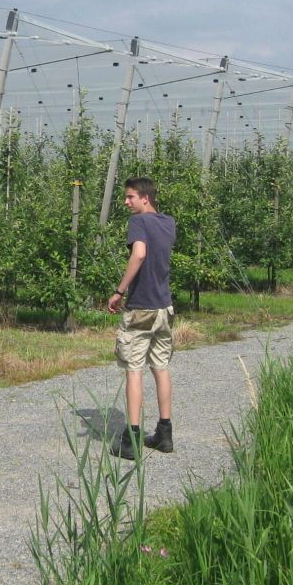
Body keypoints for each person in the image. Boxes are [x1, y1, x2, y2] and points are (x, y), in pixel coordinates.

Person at [106, 177, 178, 459]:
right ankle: (164, 432)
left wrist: (118, 291)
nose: (126, 202)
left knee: (133, 368)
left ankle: (132, 438)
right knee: (160, 366)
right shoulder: (168, 222)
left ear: (145, 198)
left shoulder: (139, 223)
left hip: (141, 307)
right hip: (164, 307)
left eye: (130, 197)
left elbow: (139, 254)